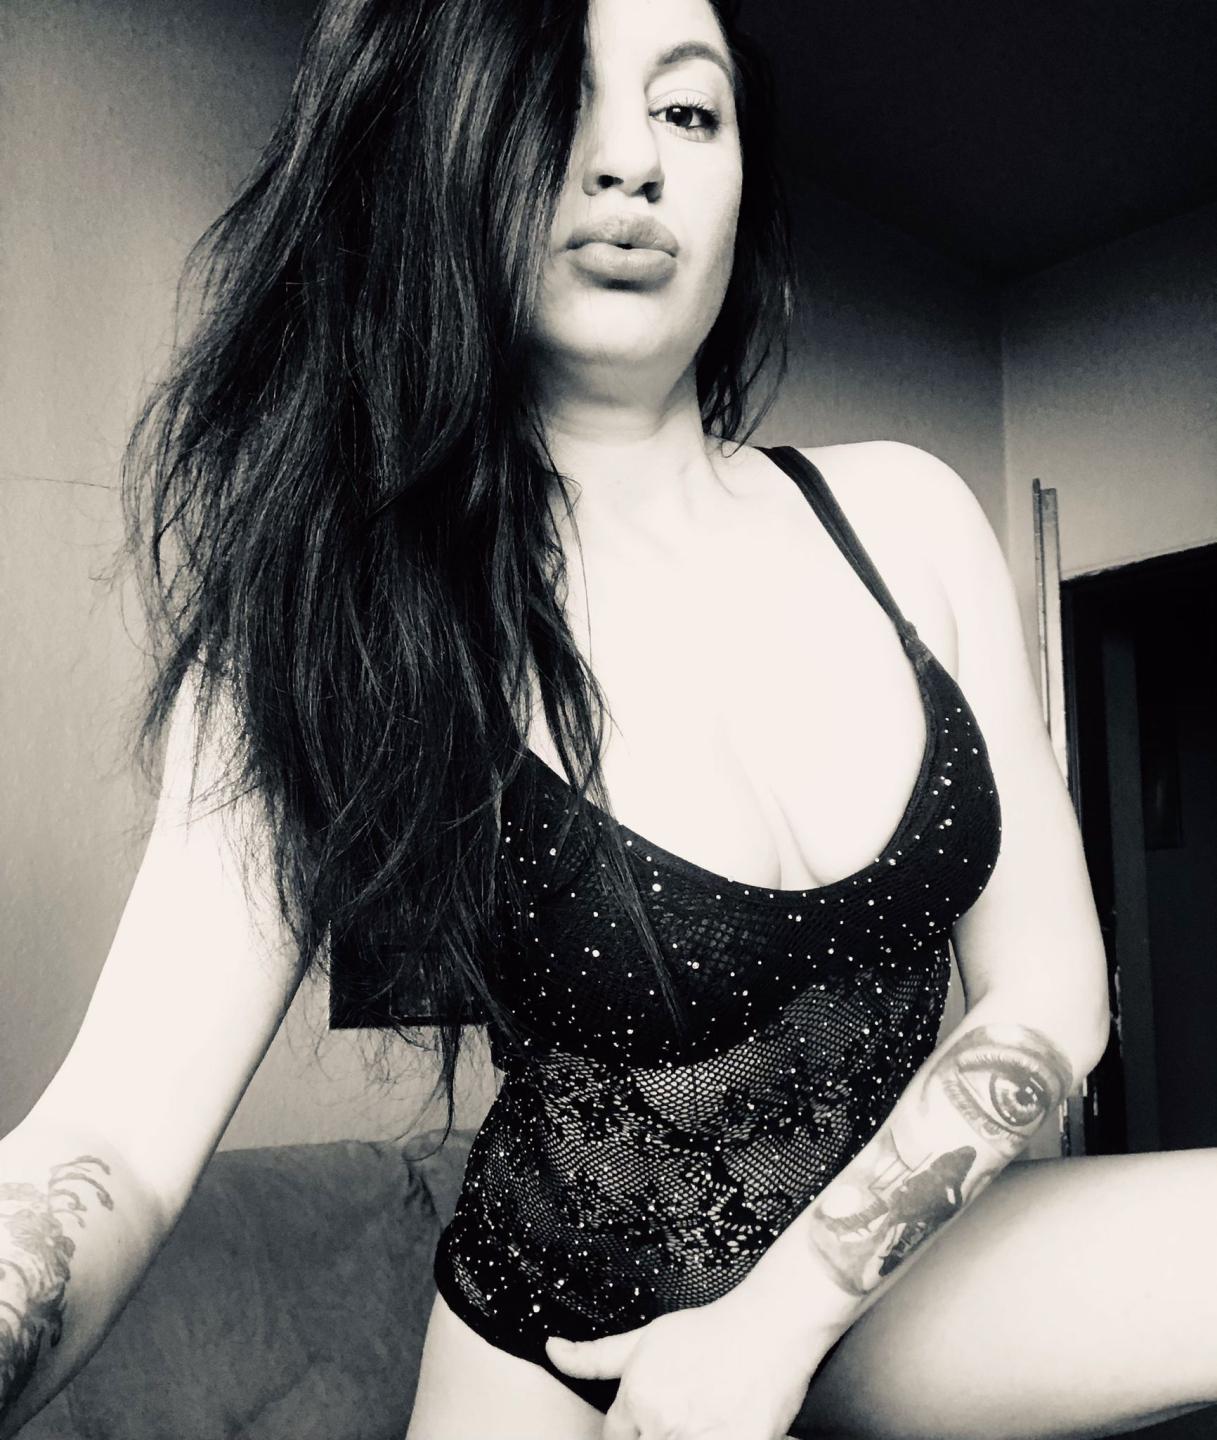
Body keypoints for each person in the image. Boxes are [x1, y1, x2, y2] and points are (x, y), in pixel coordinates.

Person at [2, 0, 1215, 1438]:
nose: (632, 158)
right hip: (561, 1355)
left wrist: (774, 1325)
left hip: (858, 1285)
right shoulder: (344, 607)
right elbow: (115, 1133)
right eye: (562, 100)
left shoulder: (911, 519)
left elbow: (1051, 993)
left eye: (688, 110)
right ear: (444, 144)